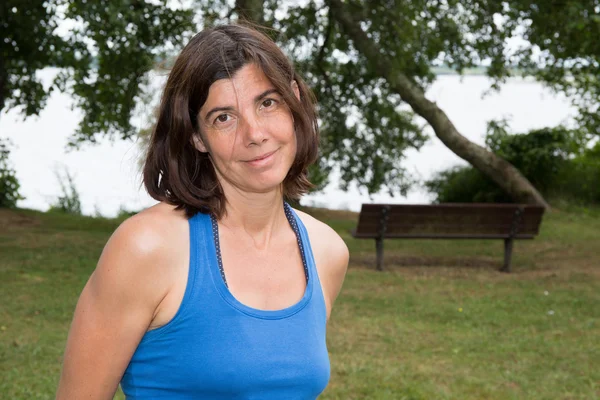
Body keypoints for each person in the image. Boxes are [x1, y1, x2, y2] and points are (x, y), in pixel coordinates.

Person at [56, 23, 349, 399]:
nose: (255, 133)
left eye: (268, 102)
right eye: (224, 117)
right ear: (197, 136)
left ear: (293, 101)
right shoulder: (146, 248)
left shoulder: (327, 251)